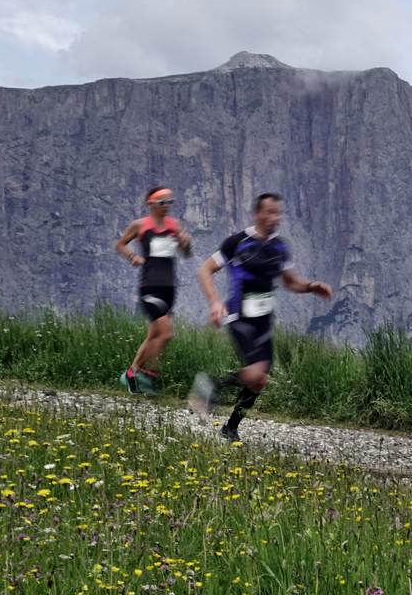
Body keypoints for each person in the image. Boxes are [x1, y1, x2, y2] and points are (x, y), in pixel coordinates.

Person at [190, 193, 332, 442]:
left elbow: (290, 282)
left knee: (260, 381)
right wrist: (214, 303)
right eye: (270, 212)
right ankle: (210, 384)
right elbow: (205, 270)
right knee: (256, 373)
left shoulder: (279, 247)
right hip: (239, 317)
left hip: (264, 320)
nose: (275, 218)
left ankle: (230, 429)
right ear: (257, 214)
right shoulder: (237, 242)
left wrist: (311, 286)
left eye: (279, 213)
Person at [115, 187, 192, 394]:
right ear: (151, 204)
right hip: (149, 286)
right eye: (162, 202)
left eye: (169, 202)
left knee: (153, 337)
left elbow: (187, 253)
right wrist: (133, 257)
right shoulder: (140, 225)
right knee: (166, 334)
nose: (166, 206)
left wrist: (186, 245)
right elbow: (120, 245)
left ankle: (131, 374)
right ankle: (148, 377)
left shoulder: (175, 226)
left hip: (169, 288)